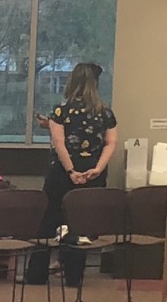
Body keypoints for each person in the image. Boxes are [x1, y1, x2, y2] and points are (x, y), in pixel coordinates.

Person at [44, 62, 119, 289]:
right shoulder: (105, 112)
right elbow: (111, 142)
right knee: (82, 224)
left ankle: (37, 273)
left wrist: (70, 170)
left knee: (50, 219)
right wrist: (97, 168)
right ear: (95, 84)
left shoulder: (61, 110)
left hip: (62, 171)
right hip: (92, 171)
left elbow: (59, 142)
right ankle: (74, 276)